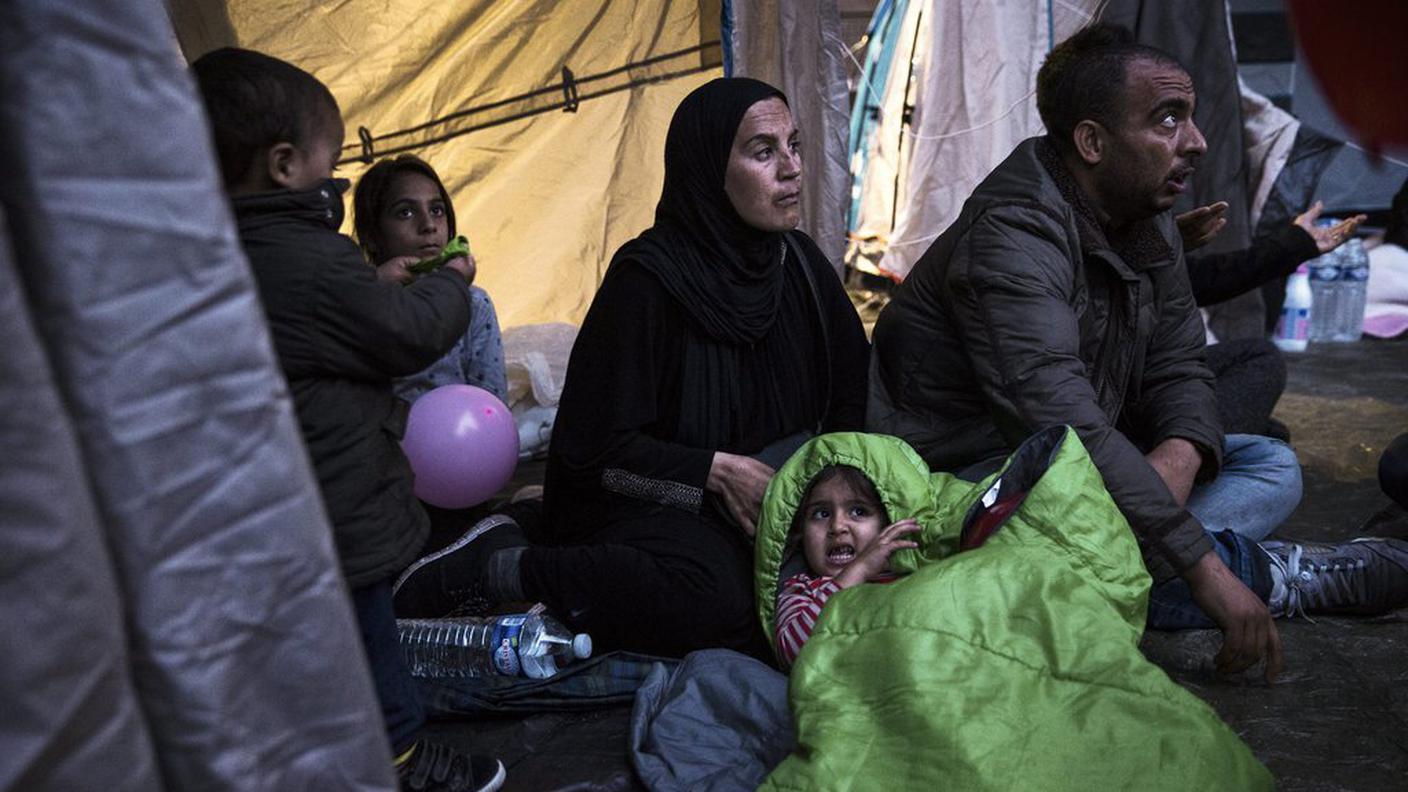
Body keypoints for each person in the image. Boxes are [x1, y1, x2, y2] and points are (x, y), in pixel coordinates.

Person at [867, 24, 1408, 682]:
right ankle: (1278, 577)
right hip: (975, 483)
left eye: (1190, 118)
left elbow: (1179, 363)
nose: (1197, 142)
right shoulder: (1013, 236)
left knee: (1270, 462)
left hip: (1085, 464)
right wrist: (1200, 564)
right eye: (1168, 119)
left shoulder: (1146, 214)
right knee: (1103, 523)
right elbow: (1062, 427)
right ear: (1092, 142)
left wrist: (1173, 463)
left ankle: (1105, 568)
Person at [393, 77, 870, 660]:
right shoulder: (649, 282)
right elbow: (593, 460)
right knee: (721, 605)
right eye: (763, 151)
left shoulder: (799, 266)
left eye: (794, 145)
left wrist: (834, 492)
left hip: (775, 501)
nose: (792, 168)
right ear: (707, 170)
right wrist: (711, 473)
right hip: (659, 498)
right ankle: (509, 567)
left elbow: (852, 392)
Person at [192, 49, 503, 792]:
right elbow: (403, 333)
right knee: (372, 639)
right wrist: (451, 287)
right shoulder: (315, 259)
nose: (428, 230)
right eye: (330, 166)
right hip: (341, 501)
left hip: (267, 508)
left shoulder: (215, 253)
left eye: (438, 215)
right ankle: (399, 761)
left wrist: (372, 286)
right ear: (284, 164)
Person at [1174, 199, 1365, 438]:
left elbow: (1207, 277)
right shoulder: (1122, 234)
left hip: (1155, 375)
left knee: (1270, 427)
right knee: (1263, 376)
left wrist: (1297, 243)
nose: (1190, 160)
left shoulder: (1148, 233)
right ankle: (1186, 452)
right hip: (1128, 394)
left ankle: (1196, 443)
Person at [353, 154, 510, 405]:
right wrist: (371, 289)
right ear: (372, 235)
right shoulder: (356, 302)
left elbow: (491, 406)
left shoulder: (472, 304)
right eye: (405, 212)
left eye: (437, 211)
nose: (428, 225)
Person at [774, 465, 920, 667]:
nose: (837, 527)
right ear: (801, 534)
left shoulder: (912, 576)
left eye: (858, 511)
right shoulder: (802, 590)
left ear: (888, 524)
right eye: (821, 514)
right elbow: (793, 653)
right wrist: (859, 569)